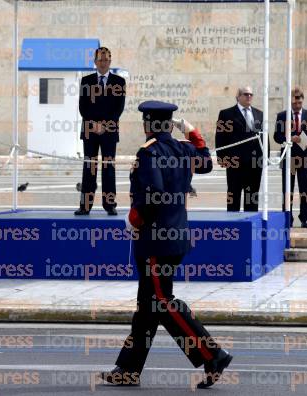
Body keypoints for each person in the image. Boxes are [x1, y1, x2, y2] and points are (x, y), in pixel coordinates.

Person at [98, 101, 233, 388]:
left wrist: (133, 220)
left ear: (148, 124)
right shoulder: (184, 148)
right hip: (175, 238)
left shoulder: (148, 154)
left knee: (162, 302)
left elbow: (151, 195)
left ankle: (213, 355)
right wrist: (192, 131)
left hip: (155, 242)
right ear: (170, 124)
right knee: (147, 308)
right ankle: (128, 369)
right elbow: (207, 161)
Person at [75, 47, 126, 216]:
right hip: (90, 131)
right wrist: (94, 124)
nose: (104, 63)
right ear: (95, 62)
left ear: (110, 62)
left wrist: (104, 125)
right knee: (89, 167)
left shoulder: (119, 82)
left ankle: (110, 204)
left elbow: (119, 108)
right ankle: (85, 206)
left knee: (108, 168)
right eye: (100, 60)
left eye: (107, 60)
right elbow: (83, 107)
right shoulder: (86, 81)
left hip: (109, 131)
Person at [274, 87, 307, 228]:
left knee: (304, 189)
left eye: (299, 102)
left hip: (305, 156)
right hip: (288, 157)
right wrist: (289, 138)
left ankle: (305, 218)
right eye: (294, 103)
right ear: (290, 101)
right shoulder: (283, 116)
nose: (297, 105)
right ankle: (287, 218)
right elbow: (276, 136)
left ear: (302, 100)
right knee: (287, 189)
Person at [215, 86, 264, 212]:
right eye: (245, 94)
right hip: (235, 163)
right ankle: (232, 226)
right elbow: (220, 137)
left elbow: (264, 137)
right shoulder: (226, 114)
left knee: (252, 197)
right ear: (238, 97)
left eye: (251, 94)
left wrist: (265, 157)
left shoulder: (259, 114)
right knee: (233, 197)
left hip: (254, 164)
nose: (249, 96)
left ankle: (251, 224)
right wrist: (222, 158)